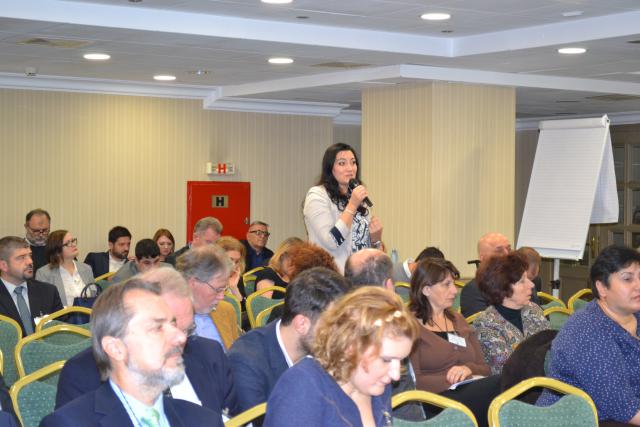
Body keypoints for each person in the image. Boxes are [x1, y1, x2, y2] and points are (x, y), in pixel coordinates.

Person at [55, 267, 238, 418]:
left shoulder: (209, 354)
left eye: (187, 330)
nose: (180, 339)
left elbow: (239, 420)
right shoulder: (83, 374)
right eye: (158, 328)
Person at [264, 286, 418, 427]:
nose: (396, 375)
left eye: (401, 360)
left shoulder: (377, 385)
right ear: (350, 346)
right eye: (386, 360)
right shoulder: (302, 388)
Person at [537, 245, 640, 425]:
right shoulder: (588, 332)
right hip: (578, 421)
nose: (638, 285)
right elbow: (626, 410)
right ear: (601, 287)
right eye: (627, 279)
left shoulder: (635, 314)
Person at [229, 267, 352, 417]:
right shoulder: (246, 362)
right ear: (302, 324)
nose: (341, 335)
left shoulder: (323, 349)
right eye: (335, 326)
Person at [408, 258, 497, 427]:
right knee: (496, 388)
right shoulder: (409, 326)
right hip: (434, 400)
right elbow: (413, 381)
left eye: (453, 284)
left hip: (469, 391)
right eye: (446, 285)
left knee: (499, 384)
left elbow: (485, 368)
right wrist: (452, 380)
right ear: (426, 289)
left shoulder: (457, 319)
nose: (454, 291)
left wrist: (467, 369)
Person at [303, 142, 383, 273]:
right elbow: (332, 241)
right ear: (330, 169)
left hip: (361, 277)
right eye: (342, 163)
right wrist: (352, 205)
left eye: (353, 162)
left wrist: (376, 241)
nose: (350, 168)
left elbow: (365, 248)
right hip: (330, 278)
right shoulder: (317, 196)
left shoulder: (360, 201)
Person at [473, 252, 549, 375]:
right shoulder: (486, 325)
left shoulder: (533, 310)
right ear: (503, 287)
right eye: (522, 281)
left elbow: (552, 350)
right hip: (510, 390)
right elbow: (507, 370)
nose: (531, 284)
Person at [176, 245, 239, 351]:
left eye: (224, 289)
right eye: (218, 290)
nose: (222, 296)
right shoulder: (167, 318)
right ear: (192, 283)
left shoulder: (226, 310)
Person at [0, 236, 63, 336]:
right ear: (4, 265)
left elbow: (62, 335)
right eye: (21, 258)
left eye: (30, 255)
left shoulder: (48, 292)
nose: (30, 261)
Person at [35, 230, 95, 307]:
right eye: (68, 243)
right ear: (57, 251)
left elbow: (94, 296)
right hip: (61, 318)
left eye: (73, 241)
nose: (73, 245)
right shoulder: (44, 273)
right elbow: (44, 305)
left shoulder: (86, 268)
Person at [460, 232, 512, 317]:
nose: (507, 254)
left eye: (509, 249)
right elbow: (481, 326)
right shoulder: (474, 290)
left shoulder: (523, 283)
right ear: (483, 258)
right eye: (499, 250)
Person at [216, 236, 247, 302]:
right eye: (230, 260)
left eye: (237, 261)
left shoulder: (236, 278)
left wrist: (234, 288)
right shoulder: (206, 278)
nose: (233, 265)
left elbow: (242, 310)